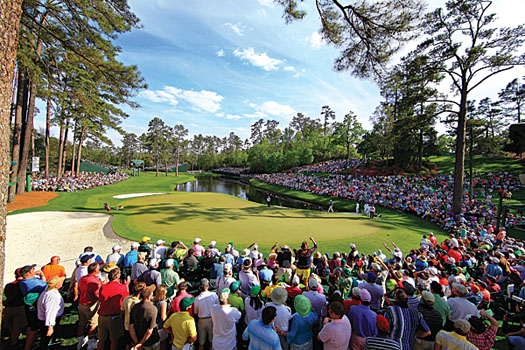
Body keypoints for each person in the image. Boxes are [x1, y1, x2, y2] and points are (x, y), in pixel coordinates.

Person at [97, 267, 129, 350]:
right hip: (114, 316)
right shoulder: (122, 287)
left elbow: (100, 299)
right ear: (118, 276)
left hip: (102, 316)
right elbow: (126, 299)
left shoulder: (103, 287)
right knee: (114, 340)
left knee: (101, 340)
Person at [77, 262, 102, 350]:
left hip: (81, 303)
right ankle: (91, 344)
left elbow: (79, 289)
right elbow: (97, 295)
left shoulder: (82, 279)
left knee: (81, 323)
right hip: (91, 305)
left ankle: (80, 342)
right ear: (95, 270)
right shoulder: (95, 282)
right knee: (93, 324)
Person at [36, 276, 65, 350]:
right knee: (47, 341)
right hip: (49, 320)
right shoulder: (52, 296)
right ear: (56, 285)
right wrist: (50, 327)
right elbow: (50, 311)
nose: (62, 283)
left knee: (45, 340)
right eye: (60, 282)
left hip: (43, 320)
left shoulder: (46, 292)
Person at [130, 285, 160, 350]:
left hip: (137, 338)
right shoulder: (153, 309)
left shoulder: (135, 307)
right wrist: (141, 343)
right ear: (149, 296)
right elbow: (149, 330)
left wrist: (136, 342)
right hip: (151, 342)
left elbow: (131, 327)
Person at [4, 268, 28, 348]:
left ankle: (12, 339)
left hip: (8, 307)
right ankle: (14, 343)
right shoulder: (23, 285)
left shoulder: (9, 285)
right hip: (19, 307)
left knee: (10, 326)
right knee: (17, 327)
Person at [194, 278, 219, 350]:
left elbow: (195, 312)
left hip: (201, 321)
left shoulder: (197, 299)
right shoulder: (214, 295)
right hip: (211, 320)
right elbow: (218, 307)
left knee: (201, 343)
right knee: (211, 342)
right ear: (208, 286)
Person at [121, 282, 146, 350]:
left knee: (128, 344)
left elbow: (122, 309)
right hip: (136, 327)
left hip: (126, 325)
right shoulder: (139, 302)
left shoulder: (126, 299)